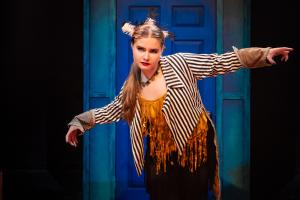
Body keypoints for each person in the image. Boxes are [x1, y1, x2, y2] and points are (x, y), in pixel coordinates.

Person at [65, 18, 293, 200]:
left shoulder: (181, 63)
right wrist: (80, 122)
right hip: (160, 155)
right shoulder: (131, 88)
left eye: (153, 51)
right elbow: (111, 110)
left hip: (195, 149)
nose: (146, 56)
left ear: (162, 49)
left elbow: (220, 62)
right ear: (132, 47)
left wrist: (264, 54)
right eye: (140, 49)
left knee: (194, 195)